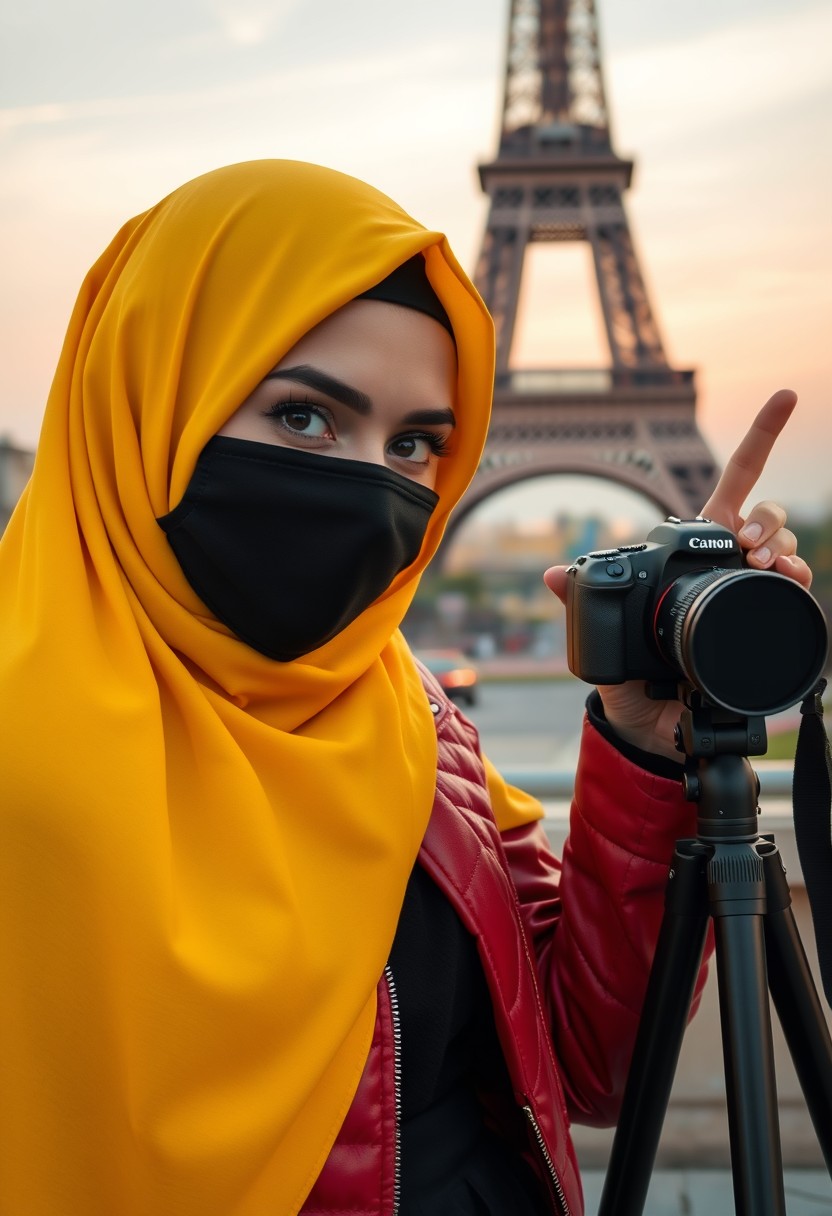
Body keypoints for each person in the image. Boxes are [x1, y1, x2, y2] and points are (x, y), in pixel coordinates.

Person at [0, 160, 812, 1216]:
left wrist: (644, 738)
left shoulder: (416, 719)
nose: (373, 484)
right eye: (303, 417)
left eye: (418, 442)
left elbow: (599, 1064)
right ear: (146, 395)